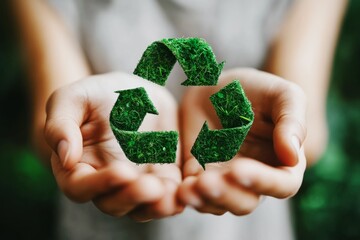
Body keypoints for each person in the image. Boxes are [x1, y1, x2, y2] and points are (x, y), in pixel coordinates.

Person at [12, 0, 347, 239]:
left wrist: (279, 129)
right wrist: (80, 132)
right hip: (102, 211)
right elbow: (52, 122)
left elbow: (306, 125)